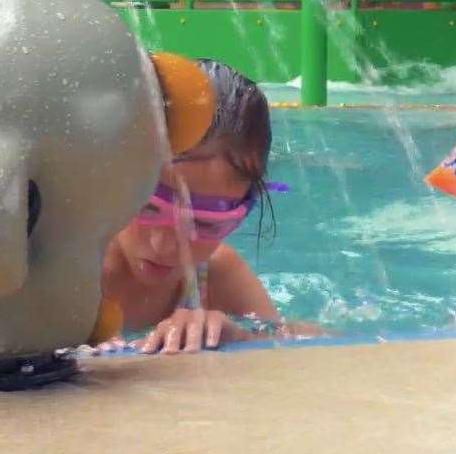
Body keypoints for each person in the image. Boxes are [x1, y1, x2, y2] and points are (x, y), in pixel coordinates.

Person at [102, 60, 313, 353]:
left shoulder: (215, 274)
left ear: (243, 211)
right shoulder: (68, 266)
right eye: (147, 207)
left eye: (204, 223)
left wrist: (240, 337)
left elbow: (315, 344)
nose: (164, 244)